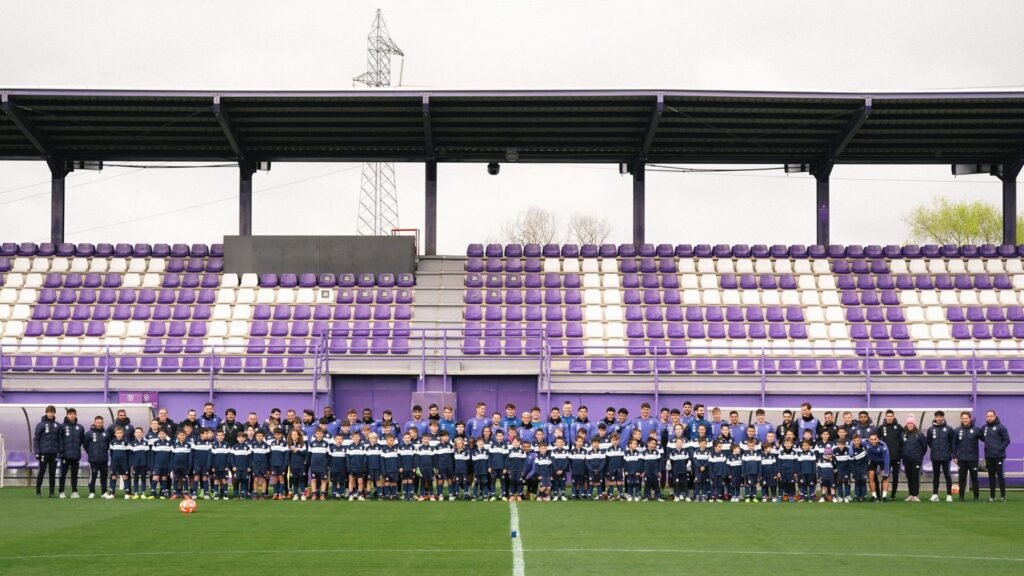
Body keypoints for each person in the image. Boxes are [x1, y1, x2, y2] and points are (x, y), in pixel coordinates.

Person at [981, 409, 1010, 502]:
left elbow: (1007, 440)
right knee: (991, 476)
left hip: (999, 456)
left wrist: (999, 449)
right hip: (989, 456)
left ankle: (1003, 497)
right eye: (988, 416)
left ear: (995, 416)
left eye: (991, 416)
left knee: (1000, 476)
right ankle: (992, 497)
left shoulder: (1001, 427)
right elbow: (982, 438)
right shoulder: (984, 427)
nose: (989, 418)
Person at [926, 410, 955, 502]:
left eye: (940, 417)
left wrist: (952, 454)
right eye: (937, 417)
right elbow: (929, 442)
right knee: (936, 476)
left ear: (943, 417)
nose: (939, 418)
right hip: (935, 457)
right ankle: (935, 495)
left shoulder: (949, 429)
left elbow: (952, 443)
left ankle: (949, 495)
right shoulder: (930, 429)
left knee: (947, 476)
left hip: (946, 457)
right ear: (935, 418)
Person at [34, 405, 62, 498]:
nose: (51, 414)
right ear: (46, 413)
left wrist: (60, 451)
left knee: (52, 473)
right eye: (49, 412)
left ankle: (52, 492)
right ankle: (38, 491)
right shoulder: (40, 424)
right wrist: (37, 452)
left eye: (52, 412)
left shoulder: (57, 425)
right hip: (43, 453)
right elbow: (36, 439)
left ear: (54, 413)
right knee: (41, 472)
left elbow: (60, 440)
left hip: (53, 453)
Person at [953, 411, 982, 502]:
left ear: (969, 418)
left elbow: (986, 439)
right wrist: (955, 456)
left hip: (973, 458)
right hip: (961, 459)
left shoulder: (976, 430)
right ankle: (961, 497)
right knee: (962, 478)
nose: (964, 420)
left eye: (966, 418)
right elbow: (954, 444)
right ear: (961, 419)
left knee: (974, 478)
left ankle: (976, 497)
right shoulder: (957, 430)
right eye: (963, 418)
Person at [877, 410, 903, 500]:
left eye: (891, 416)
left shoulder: (899, 427)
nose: (889, 417)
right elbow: (877, 441)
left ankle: (893, 495)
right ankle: (882, 494)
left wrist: (900, 451)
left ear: (893, 417)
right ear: (885, 417)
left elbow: (903, 439)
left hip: (896, 456)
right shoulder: (881, 428)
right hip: (885, 457)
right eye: (888, 416)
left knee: (895, 476)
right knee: (885, 475)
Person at [83, 416, 112, 500]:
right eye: (98, 422)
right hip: (93, 460)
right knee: (93, 476)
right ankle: (92, 492)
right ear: (94, 422)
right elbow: (85, 445)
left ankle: (104, 492)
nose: (100, 424)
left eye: (101, 422)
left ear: (103, 423)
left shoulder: (106, 433)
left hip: (104, 459)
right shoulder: (89, 433)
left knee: (104, 476)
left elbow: (107, 445)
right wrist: (91, 453)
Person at [58, 407, 85, 499]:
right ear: (67, 415)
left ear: (76, 415)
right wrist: (61, 452)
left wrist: (77, 450)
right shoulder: (62, 426)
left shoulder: (80, 427)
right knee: (63, 474)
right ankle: (61, 492)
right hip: (65, 455)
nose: (72, 415)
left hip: (75, 455)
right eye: (70, 414)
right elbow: (59, 440)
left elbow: (81, 440)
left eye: (73, 414)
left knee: (74, 474)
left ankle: (74, 492)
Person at [900, 415, 927, 502]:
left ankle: (915, 495)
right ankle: (910, 494)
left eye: (911, 423)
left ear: (914, 424)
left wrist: (919, 456)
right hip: (906, 459)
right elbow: (901, 446)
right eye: (908, 423)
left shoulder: (919, 434)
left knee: (915, 476)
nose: (910, 425)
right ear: (906, 424)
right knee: (909, 476)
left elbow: (924, 447)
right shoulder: (903, 434)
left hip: (916, 459)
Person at [865, 432, 890, 501]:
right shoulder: (866, 442)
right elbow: (853, 441)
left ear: (878, 439)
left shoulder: (883, 445)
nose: (873, 441)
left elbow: (887, 458)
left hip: (882, 460)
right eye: (871, 439)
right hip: (872, 460)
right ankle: (874, 496)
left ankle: (884, 496)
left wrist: (886, 471)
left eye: (875, 439)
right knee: (871, 476)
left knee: (885, 477)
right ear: (869, 439)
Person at [307, 428, 330, 501]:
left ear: (322, 434)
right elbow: (309, 455)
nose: (319, 435)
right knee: (313, 480)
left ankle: (322, 495)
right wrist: (308, 463)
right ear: (315, 434)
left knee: (323, 480)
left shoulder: (326, 443)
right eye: (317, 433)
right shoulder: (312, 443)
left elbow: (328, 455)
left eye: (320, 433)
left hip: (323, 466)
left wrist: (327, 465)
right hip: (314, 465)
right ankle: (314, 494)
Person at [190, 427, 213, 499]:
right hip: (197, 464)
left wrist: (208, 464)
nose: (207, 435)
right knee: (196, 478)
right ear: (201, 434)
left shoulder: (209, 443)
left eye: (208, 433)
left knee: (205, 478)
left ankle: (206, 493)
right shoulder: (195, 442)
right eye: (206, 433)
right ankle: (194, 493)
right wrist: (192, 464)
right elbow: (191, 454)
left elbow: (210, 455)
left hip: (205, 464)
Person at [109, 426, 131, 499]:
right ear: (115, 434)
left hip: (123, 462)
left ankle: (127, 493)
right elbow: (111, 453)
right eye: (117, 433)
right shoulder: (112, 442)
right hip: (115, 462)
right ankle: (112, 492)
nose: (119, 434)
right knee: (113, 476)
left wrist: (127, 462)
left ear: (123, 433)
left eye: (120, 433)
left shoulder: (126, 442)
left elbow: (128, 453)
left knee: (125, 476)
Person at [150, 428, 172, 499]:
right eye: (161, 434)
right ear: (159, 435)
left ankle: (162, 493)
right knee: (155, 477)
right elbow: (152, 455)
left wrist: (170, 465)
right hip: (157, 464)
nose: (162, 435)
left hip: (166, 464)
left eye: (164, 434)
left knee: (164, 478)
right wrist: (152, 465)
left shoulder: (169, 443)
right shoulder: (156, 443)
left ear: (166, 435)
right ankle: (152, 493)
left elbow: (171, 455)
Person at [169, 430, 192, 499]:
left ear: (186, 436)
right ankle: (175, 493)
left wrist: (189, 466)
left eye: (183, 435)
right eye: (180, 435)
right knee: (176, 479)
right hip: (176, 466)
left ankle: (185, 493)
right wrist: (171, 467)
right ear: (177, 436)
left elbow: (189, 457)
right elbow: (172, 457)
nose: (182, 436)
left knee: (185, 479)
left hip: (184, 466)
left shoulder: (188, 445)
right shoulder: (174, 445)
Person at [129, 427, 151, 499]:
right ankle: (136, 493)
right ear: (134, 434)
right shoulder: (132, 443)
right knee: (135, 479)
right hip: (135, 465)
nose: (138, 434)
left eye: (140, 432)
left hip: (143, 464)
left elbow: (148, 455)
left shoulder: (145, 443)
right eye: (137, 432)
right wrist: (131, 465)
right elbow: (130, 455)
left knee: (143, 478)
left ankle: (143, 493)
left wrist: (148, 464)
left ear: (142, 433)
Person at [286, 428, 308, 501]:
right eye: (292, 434)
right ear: (291, 436)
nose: (294, 436)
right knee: (295, 479)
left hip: (301, 464)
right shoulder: (289, 444)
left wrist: (297, 450)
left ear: (298, 436)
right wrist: (291, 451)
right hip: (293, 465)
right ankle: (295, 494)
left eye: (295, 434)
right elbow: (287, 455)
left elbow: (305, 453)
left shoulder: (302, 444)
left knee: (302, 478)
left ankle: (302, 494)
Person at [209, 430, 231, 499]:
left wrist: (227, 466)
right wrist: (212, 466)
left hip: (224, 467)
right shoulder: (213, 445)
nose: (220, 437)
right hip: (216, 467)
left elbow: (228, 457)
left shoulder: (227, 444)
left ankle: (225, 493)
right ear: (216, 436)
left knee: (224, 480)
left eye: (221, 435)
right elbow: (211, 457)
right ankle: (216, 494)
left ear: (224, 436)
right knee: (216, 480)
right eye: (219, 435)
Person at [230, 431, 252, 499]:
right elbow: (231, 458)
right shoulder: (234, 447)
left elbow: (250, 458)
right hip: (237, 468)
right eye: (239, 437)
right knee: (236, 481)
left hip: (245, 468)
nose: (241, 439)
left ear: (245, 438)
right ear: (237, 438)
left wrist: (249, 466)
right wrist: (233, 466)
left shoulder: (247, 447)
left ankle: (243, 494)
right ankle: (236, 494)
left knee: (244, 481)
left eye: (243, 437)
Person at [250, 430, 271, 500]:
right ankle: (255, 493)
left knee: (263, 480)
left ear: (263, 437)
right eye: (258, 436)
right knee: (255, 479)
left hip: (263, 465)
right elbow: (251, 456)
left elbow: (268, 458)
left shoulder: (266, 445)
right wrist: (252, 465)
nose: (259, 437)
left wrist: (268, 468)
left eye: (261, 436)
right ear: (255, 437)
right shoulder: (253, 445)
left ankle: (263, 494)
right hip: (255, 465)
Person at [269, 428, 289, 500]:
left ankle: (281, 494)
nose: (277, 436)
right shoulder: (272, 443)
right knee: (274, 479)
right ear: (274, 435)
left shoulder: (285, 443)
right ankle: (275, 493)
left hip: (281, 465)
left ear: (281, 435)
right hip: (274, 465)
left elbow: (286, 456)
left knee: (281, 479)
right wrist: (271, 464)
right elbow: (270, 455)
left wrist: (285, 465)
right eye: (276, 434)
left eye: (279, 434)